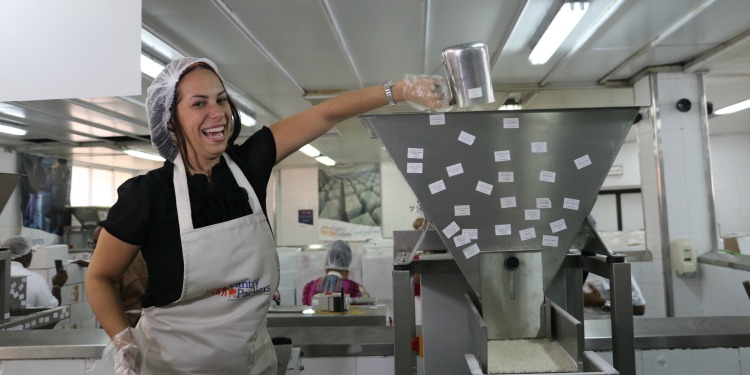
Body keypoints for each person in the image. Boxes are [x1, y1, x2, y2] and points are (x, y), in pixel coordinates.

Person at [85, 56, 450, 375]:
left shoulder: (249, 166)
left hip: (251, 364)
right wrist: (122, 341)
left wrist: (400, 90)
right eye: (199, 103)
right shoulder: (148, 195)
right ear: (169, 119)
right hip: (170, 368)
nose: (218, 113)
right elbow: (100, 277)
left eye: (221, 99)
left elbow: (325, 112)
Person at [74, 226, 148, 328]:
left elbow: (108, 301)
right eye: (93, 243)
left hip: (125, 324)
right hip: (145, 322)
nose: (94, 248)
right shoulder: (139, 256)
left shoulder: (111, 267)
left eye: (98, 242)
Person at [583, 214, 646, 317]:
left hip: (605, 331)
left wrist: (600, 302)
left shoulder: (611, 261)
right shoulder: (559, 263)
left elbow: (639, 309)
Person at [4, 236, 68, 308]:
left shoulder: (3, 273)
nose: (31, 255)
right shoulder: (34, 279)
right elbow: (51, 308)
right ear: (24, 255)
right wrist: (57, 286)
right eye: (31, 252)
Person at [301, 240, 370, 306]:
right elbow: (368, 312)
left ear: (326, 266)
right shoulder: (356, 289)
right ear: (347, 270)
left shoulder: (309, 288)